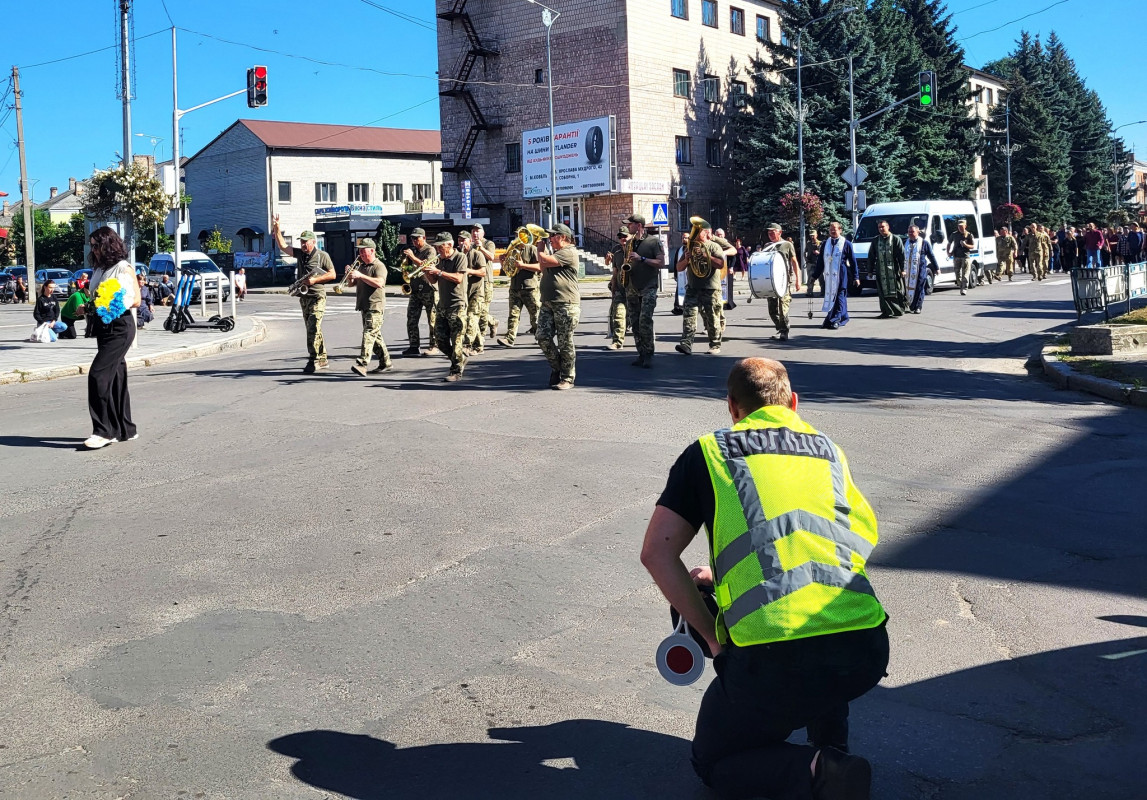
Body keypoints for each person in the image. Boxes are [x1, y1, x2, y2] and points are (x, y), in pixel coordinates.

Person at [641, 357, 889, 800]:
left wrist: (715, 644)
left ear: (732, 408)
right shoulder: (829, 449)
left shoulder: (710, 452)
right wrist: (726, 573)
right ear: (793, 403)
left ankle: (820, 771)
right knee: (818, 627)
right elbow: (854, 539)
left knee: (713, 762)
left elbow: (657, 554)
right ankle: (830, 740)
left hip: (774, 663)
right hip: (864, 647)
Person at [84, 226, 141, 449]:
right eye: (92, 246)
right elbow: (96, 299)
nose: (95, 250)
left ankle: (103, 431)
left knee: (98, 375)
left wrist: (111, 304)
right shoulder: (99, 269)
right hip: (103, 327)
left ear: (109, 244)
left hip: (120, 327)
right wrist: (87, 308)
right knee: (117, 378)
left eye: (98, 245)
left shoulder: (123, 267)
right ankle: (126, 429)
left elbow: (136, 299)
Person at [272, 216, 336, 372]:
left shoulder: (322, 256)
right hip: (304, 297)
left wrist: (315, 280)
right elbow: (282, 245)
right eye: (301, 242)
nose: (303, 244)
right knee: (312, 329)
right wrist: (277, 227)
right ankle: (323, 358)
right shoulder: (300, 253)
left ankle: (313, 359)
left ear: (313, 242)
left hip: (318, 296)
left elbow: (332, 274)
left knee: (313, 326)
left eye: (305, 242)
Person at [535, 222, 581, 389]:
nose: (550, 239)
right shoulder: (556, 252)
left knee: (565, 341)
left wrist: (540, 249)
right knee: (542, 336)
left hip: (565, 303)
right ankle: (557, 367)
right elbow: (542, 265)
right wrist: (543, 250)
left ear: (563, 237)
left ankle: (567, 378)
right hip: (548, 302)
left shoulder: (569, 252)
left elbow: (545, 260)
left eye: (553, 236)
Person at [675, 218, 727, 356]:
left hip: (711, 288)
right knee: (689, 316)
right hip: (693, 287)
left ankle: (715, 344)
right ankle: (686, 344)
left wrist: (705, 255)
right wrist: (686, 259)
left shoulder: (714, 246)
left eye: (699, 231)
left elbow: (721, 264)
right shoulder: (689, 248)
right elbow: (679, 268)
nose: (696, 233)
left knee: (712, 317)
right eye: (694, 230)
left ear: (705, 232)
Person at [422, 232, 468, 382]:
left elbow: (459, 278)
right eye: (437, 247)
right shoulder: (440, 259)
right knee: (440, 339)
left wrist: (439, 272)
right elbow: (434, 281)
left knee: (456, 341)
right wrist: (427, 272)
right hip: (443, 305)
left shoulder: (460, 257)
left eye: (440, 247)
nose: (438, 250)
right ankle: (459, 359)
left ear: (449, 245)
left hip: (457, 305)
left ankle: (456, 371)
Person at [622, 214, 666, 368]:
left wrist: (642, 259)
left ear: (639, 225)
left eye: (630, 224)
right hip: (632, 287)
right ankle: (640, 353)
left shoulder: (653, 242)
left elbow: (661, 262)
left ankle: (648, 353)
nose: (628, 227)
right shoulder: (630, 242)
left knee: (645, 321)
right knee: (634, 323)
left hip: (649, 286)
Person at [346, 238, 393, 377]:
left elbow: (380, 283)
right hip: (364, 305)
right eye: (359, 250)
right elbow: (351, 284)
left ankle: (362, 364)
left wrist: (360, 275)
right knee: (375, 336)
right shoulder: (362, 266)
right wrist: (350, 275)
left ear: (372, 250)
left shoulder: (379, 266)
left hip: (375, 306)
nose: (360, 253)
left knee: (369, 334)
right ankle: (386, 362)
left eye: (363, 250)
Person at [497, 228, 542, 348]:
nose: (519, 239)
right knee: (513, 315)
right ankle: (509, 338)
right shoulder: (512, 250)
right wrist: (502, 262)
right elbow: (508, 270)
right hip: (515, 287)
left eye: (521, 236)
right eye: (517, 236)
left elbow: (539, 266)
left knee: (535, 315)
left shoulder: (532, 248)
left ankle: (540, 336)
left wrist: (523, 265)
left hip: (529, 287)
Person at [759, 223, 801, 340]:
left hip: (784, 282)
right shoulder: (767, 246)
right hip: (770, 282)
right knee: (772, 310)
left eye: (773, 232)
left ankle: (784, 331)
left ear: (780, 232)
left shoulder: (787, 245)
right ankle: (779, 327)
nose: (770, 234)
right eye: (769, 233)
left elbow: (794, 262)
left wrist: (798, 280)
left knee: (783, 308)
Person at [814, 221, 858, 329]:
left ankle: (836, 319)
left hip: (841, 275)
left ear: (840, 230)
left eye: (835, 229)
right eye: (831, 229)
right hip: (829, 276)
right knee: (831, 296)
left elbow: (853, 261)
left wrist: (856, 277)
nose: (833, 231)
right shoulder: (825, 243)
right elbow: (820, 261)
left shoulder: (846, 243)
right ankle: (838, 317)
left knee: (839, 296)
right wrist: (814, 276)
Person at [402, 227, 439, 357]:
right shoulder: (415, 251)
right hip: (415, 289)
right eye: (412, 238)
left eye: (417, 238)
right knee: (411, 318)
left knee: (432, 320)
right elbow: (411, 268)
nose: (414, 241)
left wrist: (413, 257)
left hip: (429, 289)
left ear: (423, 238)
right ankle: (413, 345)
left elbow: (428, 265)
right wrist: (406, 268)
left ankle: (434, 345)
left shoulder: (430, 250)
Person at [459, 231, 490, 355]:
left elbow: (483, 272)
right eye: (459, 240)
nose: (461, 243)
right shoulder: (459, 256)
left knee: (472, 317)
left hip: (476, 292)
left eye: (464, 240)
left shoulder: (477, 254)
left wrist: (469, 271)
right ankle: (479, 345)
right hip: (464, 293)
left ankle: (467, 345)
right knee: (469, 320)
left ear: (470, 241)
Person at [872, 219, 907, 316]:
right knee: (882, 291)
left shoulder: (896, 239)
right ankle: (886, 311)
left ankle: (898, 310)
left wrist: (903, 269)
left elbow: (901, 255)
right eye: (879, 227)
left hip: (894, 270)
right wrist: (870, 270)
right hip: (881, 270)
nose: (881, 229)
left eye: (883, 227)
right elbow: (871, 255)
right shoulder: (875, 240)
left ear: (888, 227)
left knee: (897, 290)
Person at [604, 226, 631, 350]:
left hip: (635, 289)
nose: (622, 239)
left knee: (639, 318)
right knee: (619, 315)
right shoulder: (616, 250)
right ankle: (617, 342)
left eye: (625, 236)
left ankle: (644, 341)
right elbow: (615, 271)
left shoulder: (636, 248)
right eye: (620, 237)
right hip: (620, 288)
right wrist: (614, 289)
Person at [904, 224, 939, 315]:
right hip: (907, 270)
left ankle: (918, 306)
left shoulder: (924, 243)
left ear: (918, 232)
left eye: (913, 232)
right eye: (909, 232)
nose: (911, 233)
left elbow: (931, 256)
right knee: (907, 288)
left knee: (919, 288)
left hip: (920, 270)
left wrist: (936, 268)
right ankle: (909, 305)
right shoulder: (905, 242)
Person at [472, 224, 498, 340]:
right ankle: (492, 321)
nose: (475, 233)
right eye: (473, 231)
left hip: (486, 280)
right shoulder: (471, 245)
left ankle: (481, 337)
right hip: (474, 281)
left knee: (483, 309)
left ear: (483, 233)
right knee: (476, 309)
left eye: (478, 231)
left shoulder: (488, 243)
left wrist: (481, 247)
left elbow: (491, 256)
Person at [946, 219, 976, 296]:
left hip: (965, 256)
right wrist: (948, 252)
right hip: (956, 256)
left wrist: (965, 245)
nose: (960, 228)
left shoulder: (969, 235)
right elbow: (949, 243)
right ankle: (960, 284)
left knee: (965, 274)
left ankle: (964, 289)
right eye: (959, 226)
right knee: (957, 273)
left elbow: (972, 246)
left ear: (965, 226)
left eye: (962, 226)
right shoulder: (954, 234)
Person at [672, 232, 689, 314]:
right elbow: (676, 262)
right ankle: (679, 307)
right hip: (681, 275)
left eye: (686, 238)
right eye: (683, 238)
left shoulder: (693, 249)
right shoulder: (679, 250)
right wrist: (675, 274)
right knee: (680, 290)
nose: (684, 239)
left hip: (689, 275)